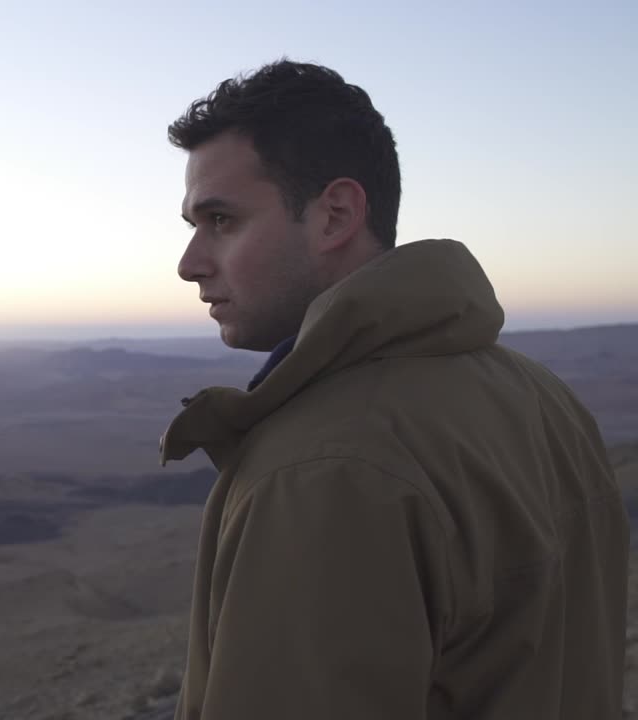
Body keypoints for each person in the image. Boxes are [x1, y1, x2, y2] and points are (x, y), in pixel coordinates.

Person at [158, 59, 629, 719]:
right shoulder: (542, 397)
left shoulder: (325, 469)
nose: (190, 264)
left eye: (222, 221)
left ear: (335, 215)